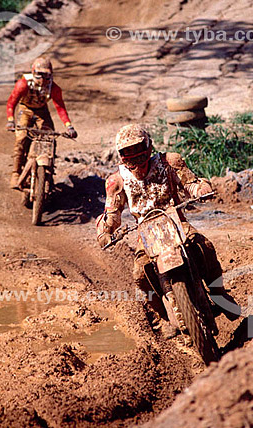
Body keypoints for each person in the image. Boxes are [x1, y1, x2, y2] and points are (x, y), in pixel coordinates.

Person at [96, 123, 238, 332]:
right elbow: (113, 213)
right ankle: (163, 316)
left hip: (177, 221)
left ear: (148, 146)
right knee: (140, 274)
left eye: (137, 149)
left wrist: (201, 189)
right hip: (144, 232)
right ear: (121, 154)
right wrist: (105, 230)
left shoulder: (169, 162)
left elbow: (190, 183)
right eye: (128, 152)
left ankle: (219, 293)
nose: (134, 156)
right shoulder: (116, 181)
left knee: (204, 246)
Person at [6, 57, 77, 189]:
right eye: (40, 74)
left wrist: (69, 126)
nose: (43, 79)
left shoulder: (54, 88)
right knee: (21, 138)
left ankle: (48, 172)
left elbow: (60, 107)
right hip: (25, 109)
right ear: (33, 72)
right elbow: (11, 102)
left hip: (42, 111)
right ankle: (15, 173)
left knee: (49, 138)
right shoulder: (23, 84)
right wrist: (10, 120)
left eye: (47, 75)